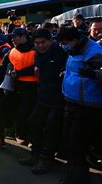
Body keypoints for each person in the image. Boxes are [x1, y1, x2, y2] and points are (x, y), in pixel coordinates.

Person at [58, 26, 102, 183]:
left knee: (76, 145)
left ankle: (78, 179)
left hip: (89, 107)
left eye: (65, 42)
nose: (63, 46)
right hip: (71, 102)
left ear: (75, 40)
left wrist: (94, 74)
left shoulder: (95, 52)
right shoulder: (73, 51)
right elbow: (74, 71)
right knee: (70, 142)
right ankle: (74, 175)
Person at [18, 29, 67, 175]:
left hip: (58, 100)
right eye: (37, 43)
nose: (40, 45)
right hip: (43, 97)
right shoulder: (38, 54)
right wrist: (17, 73)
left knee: (51, 129)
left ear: (50, 40)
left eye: (43, 42)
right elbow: (34, 69)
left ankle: (46, 160)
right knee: (34, 123)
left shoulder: (61, 54)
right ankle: (35, 155)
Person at [7, 28, 38, 143]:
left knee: (30, 113)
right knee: (19, 111)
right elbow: (6, 64)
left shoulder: (36, 49)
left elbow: (37, 66)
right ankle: (20, 134)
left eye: (15, 37)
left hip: (34, 86)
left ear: (23, 36)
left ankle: (29, 137)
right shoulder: (12, 51)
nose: (12, 39)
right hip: (18, 86)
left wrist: (19, 73)